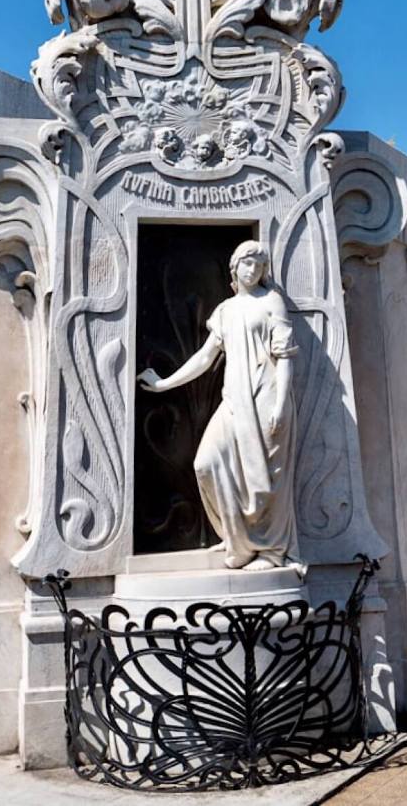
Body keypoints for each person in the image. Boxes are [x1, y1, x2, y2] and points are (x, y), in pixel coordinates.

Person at [137, 240, 302, 572]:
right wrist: (163, 384)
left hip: (266, 395)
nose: (253, 270)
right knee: (206, 463)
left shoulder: (273, 302)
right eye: (247, 264)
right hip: (235, 399)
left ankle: (270, 552)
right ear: (234, 268)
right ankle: (236, 537)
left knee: (266, 482)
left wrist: (282, 403)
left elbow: (284, 357)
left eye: (259, 265)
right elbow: (205, 358)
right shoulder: (226, 310)